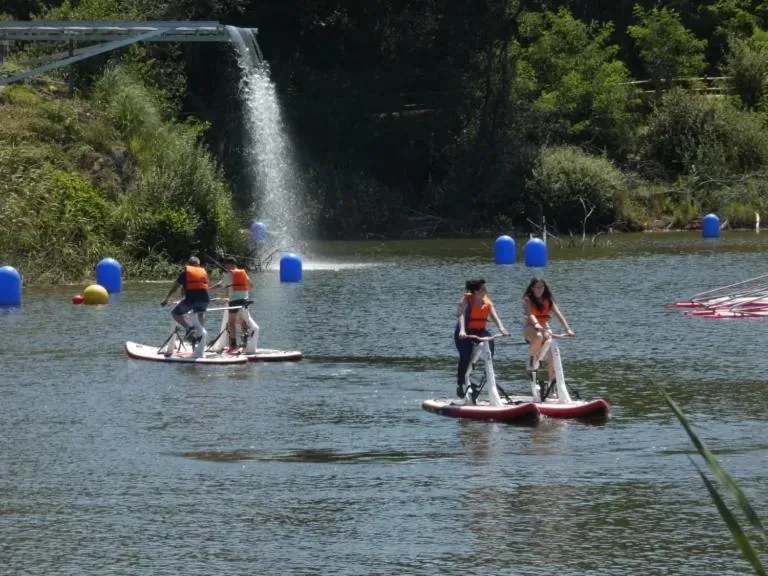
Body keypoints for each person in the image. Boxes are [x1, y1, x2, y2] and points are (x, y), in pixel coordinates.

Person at [455, 278, 509, 398]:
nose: (486, 289)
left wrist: (502, 328)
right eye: (482, 288)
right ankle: (461, 383)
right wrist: (462, 330)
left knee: (489, 340)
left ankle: (487, 371)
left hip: (479, 331)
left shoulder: (487, 301)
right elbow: (461, 315)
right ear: (474, 291)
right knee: (466, 356)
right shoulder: (466, 300)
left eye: (485, 287)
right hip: (465, 332)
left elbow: (495, 317)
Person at [522, 278, 574, 382]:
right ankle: (532, 359)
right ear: (532, 288)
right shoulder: (527, 299)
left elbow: (559, 314)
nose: (539, 289)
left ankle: (553, 388)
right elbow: (530, 314)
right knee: (539, 336)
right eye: (537, 287)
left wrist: (567, 329)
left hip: (545, 327)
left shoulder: (548, 300)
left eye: (542, 287)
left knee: (553, 357)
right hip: (531, 328)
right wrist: (536, 324)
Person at [160, 256, 210, 341]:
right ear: (198, 265)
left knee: (175, 313)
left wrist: (166, 299)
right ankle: (200, 334)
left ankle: (189, 328)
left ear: (189, 264)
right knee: (200, 314)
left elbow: (175, 288)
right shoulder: (203, 272)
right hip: (205, 300)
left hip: (191, 300)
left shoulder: (185, 273)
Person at [210, 256, 253, 352]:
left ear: (231, 265)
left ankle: (233, 345)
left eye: (226, 264)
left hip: (234, 301)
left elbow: (220, 285)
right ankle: (245, 342)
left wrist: (208, 289)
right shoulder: (243, 272)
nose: (225, 266)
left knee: (231, 323)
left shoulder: (230, 274)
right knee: (243, 320)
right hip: (245, 299)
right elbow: (251, 284)